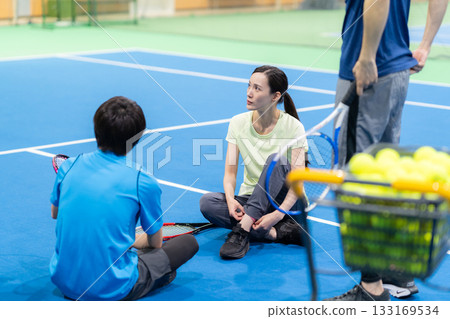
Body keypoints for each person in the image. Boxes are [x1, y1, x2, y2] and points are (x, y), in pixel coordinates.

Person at [327, 0, 448, 301]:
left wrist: (367, 56)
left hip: (368, 73)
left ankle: (371, 286)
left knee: (356, 179)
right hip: (397, 72)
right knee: (387, 178)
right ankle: (396, 270)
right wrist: (425, 46)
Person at [49, 96, 199, 301]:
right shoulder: (143, 181)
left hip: (64, 282)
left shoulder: (68, 166)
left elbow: (55, 214)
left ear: (96, 129)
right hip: (112, 289)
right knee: (187, 243)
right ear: (137, 138)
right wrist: (134, 241)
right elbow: (155, 243)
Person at [200, 65, 309, 259]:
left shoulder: (294, 127)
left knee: (276, 160)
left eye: (257, 88)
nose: (249, 93)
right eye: (249, 85)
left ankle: (243, 230)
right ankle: (275, 233)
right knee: (208, 203)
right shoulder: (237, 122)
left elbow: (298, 182)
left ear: (275, 96)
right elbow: (230, 174)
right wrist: (232, 200)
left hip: (285, 203)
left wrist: (277, 214)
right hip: (251, 198)